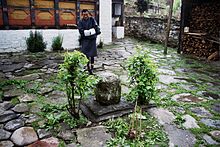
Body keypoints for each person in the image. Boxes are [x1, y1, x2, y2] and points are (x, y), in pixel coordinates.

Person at [78, 9, 101, 75]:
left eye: (86, 14)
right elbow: (81, 31)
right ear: (82, 15)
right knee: (86, 54)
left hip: (92, 40)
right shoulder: (80, 22)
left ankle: (92, 67)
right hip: (85, 40)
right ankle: (88, 67)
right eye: (84, 15)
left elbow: (96, 27)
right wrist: (90, 31)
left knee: (92, 54)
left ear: (88, 14)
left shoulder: (92, 20)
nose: (85, 16)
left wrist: (94, 32)